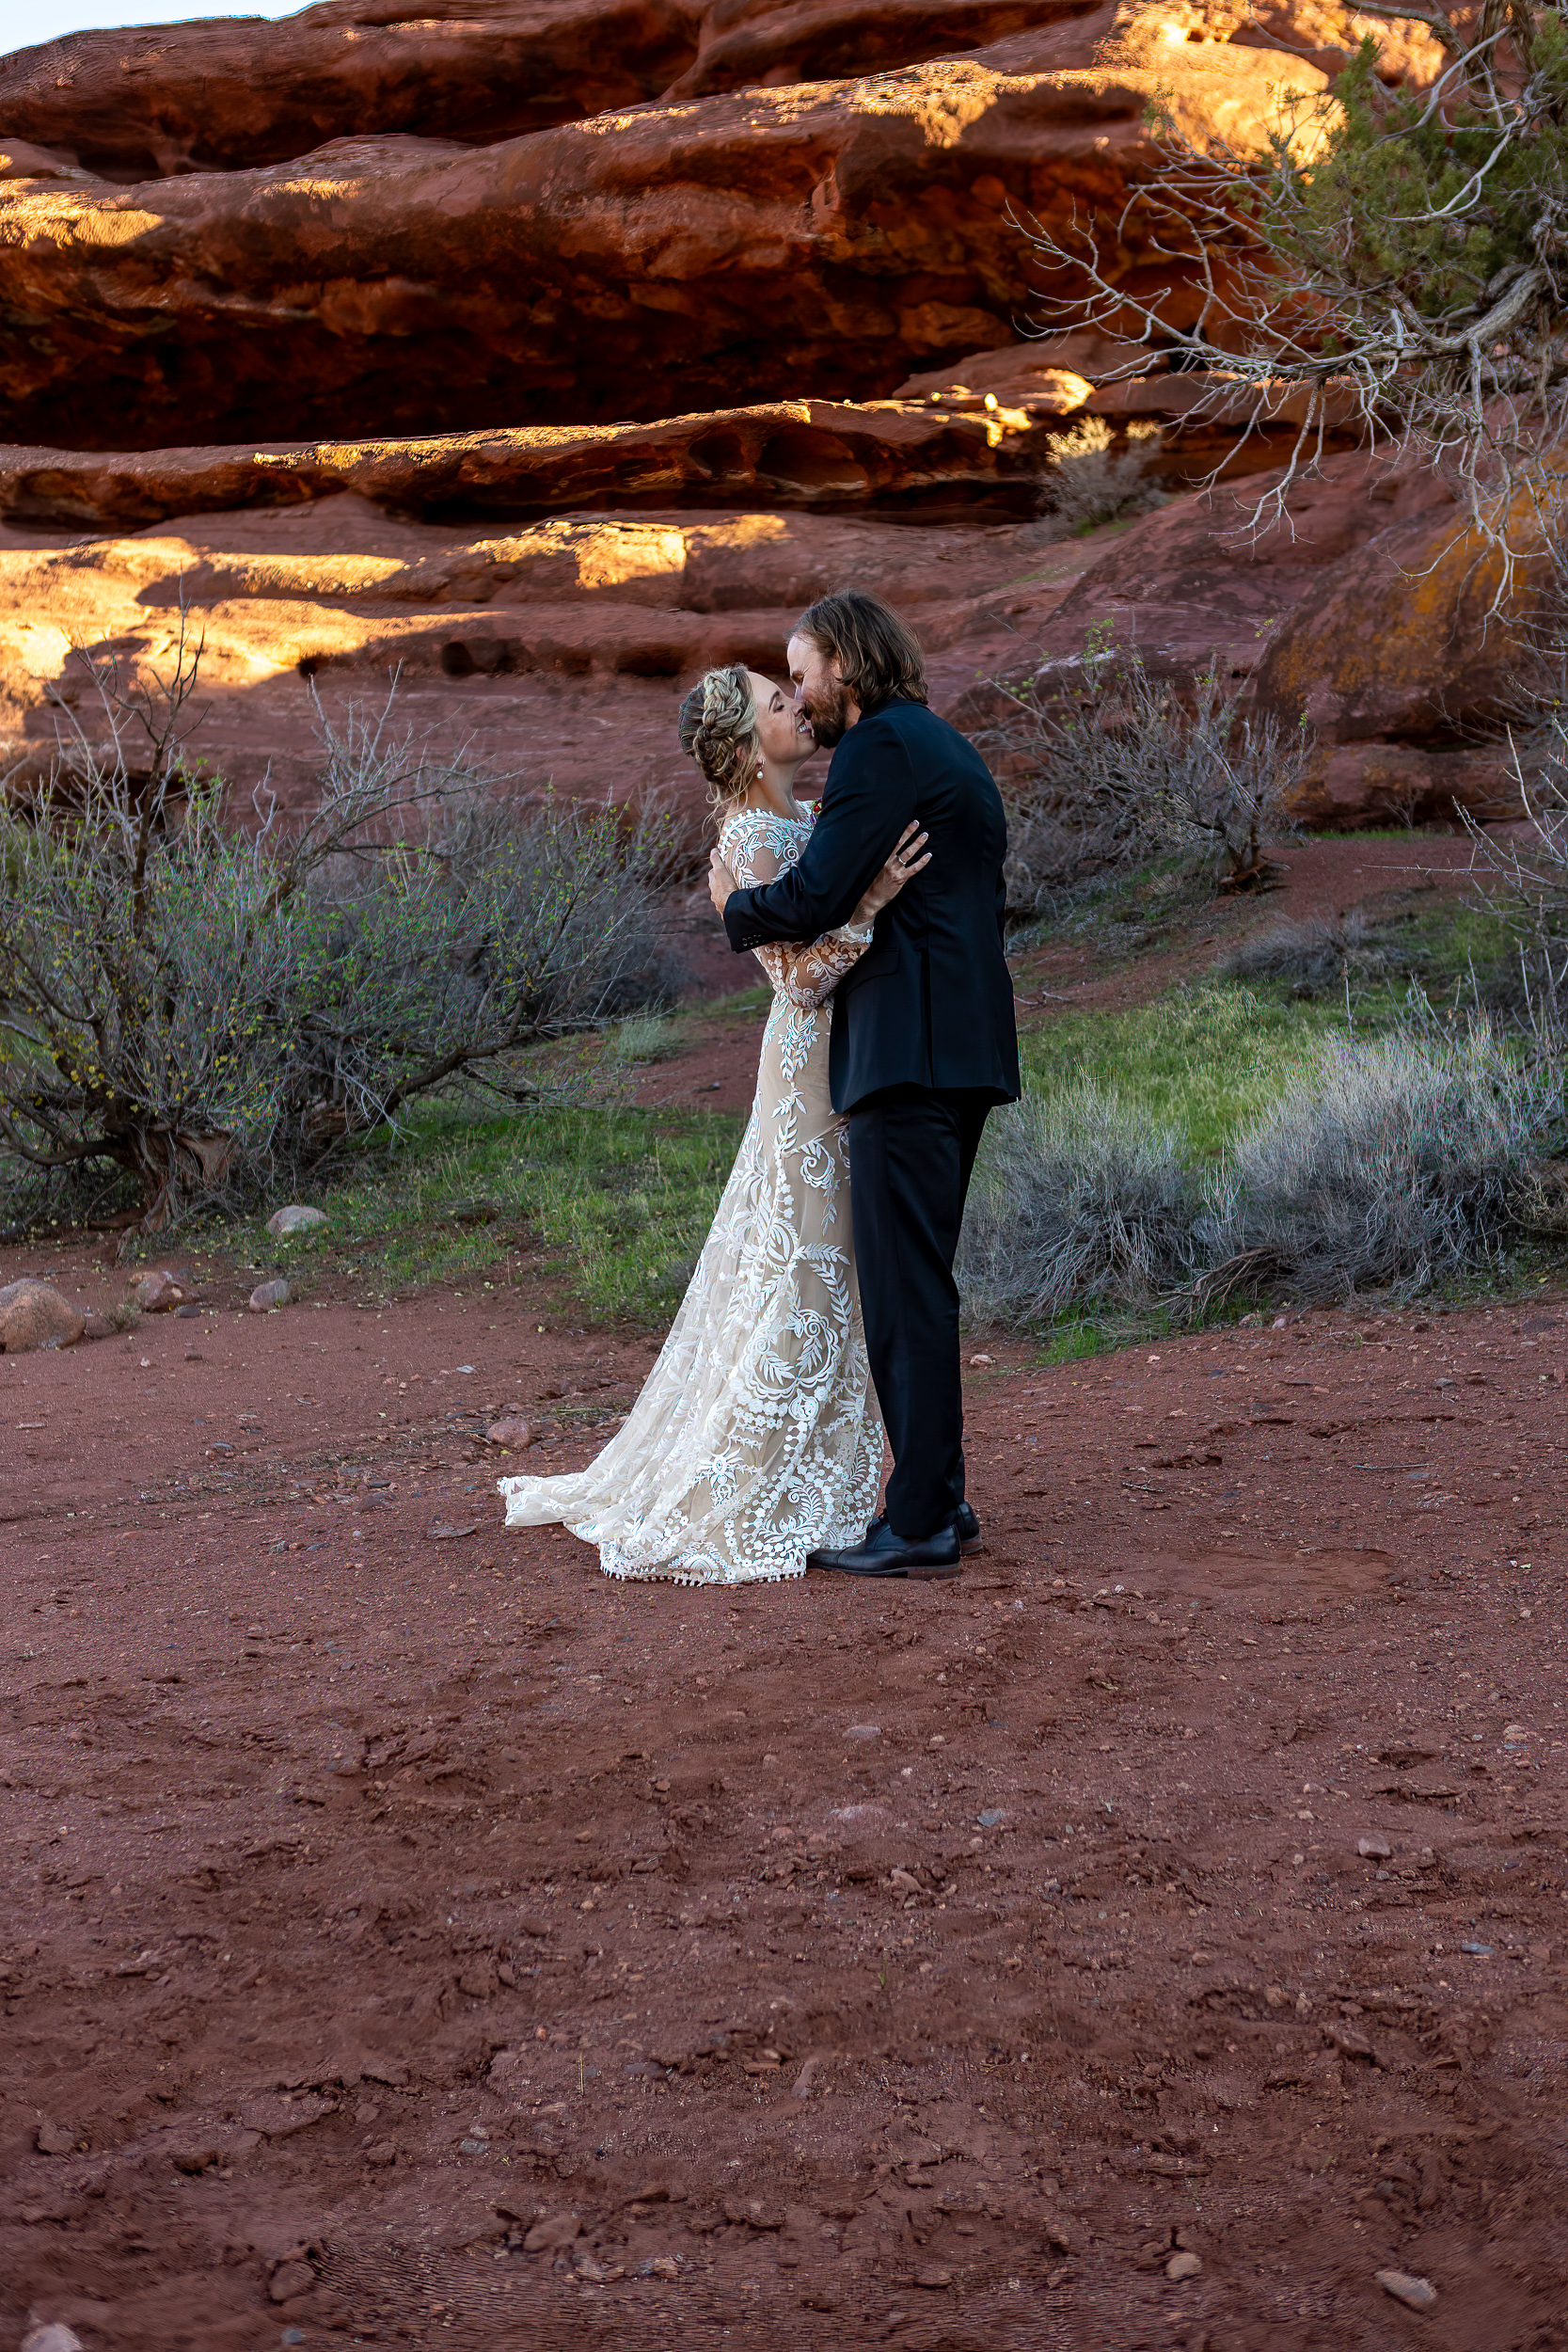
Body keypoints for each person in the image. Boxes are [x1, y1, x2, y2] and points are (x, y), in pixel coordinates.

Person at [496, 663, 929, 1583]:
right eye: (778, 704)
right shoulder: (750, 833)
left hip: (838, 1056)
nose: (797, 707)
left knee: (823, 1266)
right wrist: (870, 906)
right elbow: (798, 978)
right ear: (743, 746)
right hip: (808, 1061)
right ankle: (763, 1481)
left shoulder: (801, 817)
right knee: (807, 1268)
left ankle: (827, 1478)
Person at [709, 590, 1019, 1579]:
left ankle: (919, 1518)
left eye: (802, 672)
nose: (800, 693)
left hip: (906, 1052)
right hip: (962, 1046)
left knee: (902, 1291)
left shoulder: (878, 752)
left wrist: (731, 907)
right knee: (917, 1282)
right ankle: (943, 1497)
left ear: (845, 662)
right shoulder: (944, 745)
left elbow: (813, 895)